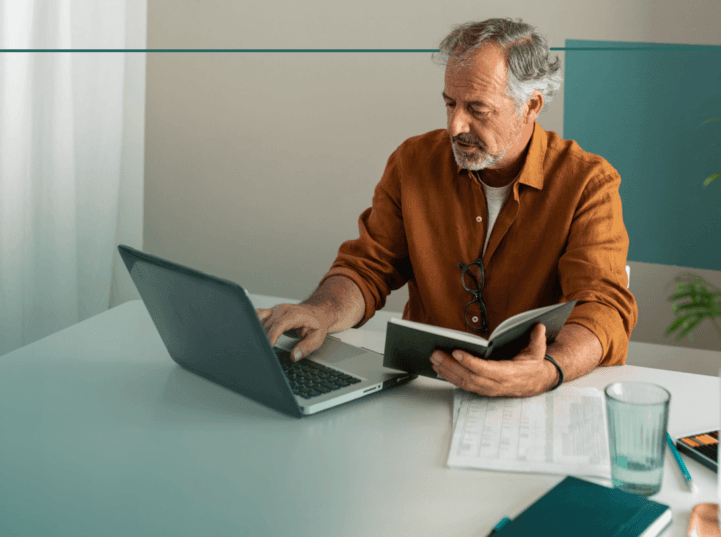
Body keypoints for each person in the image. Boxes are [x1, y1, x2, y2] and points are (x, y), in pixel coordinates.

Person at [258, 18, 637, 398]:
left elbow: (602, 306)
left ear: (531, 106)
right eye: (450, 103)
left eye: (477, 108)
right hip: (423, 387)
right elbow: (368, 267)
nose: (456, 125)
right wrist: (321, 312)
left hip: (532, 393)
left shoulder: (589, 183)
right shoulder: (413, 161)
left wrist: (547, 371)